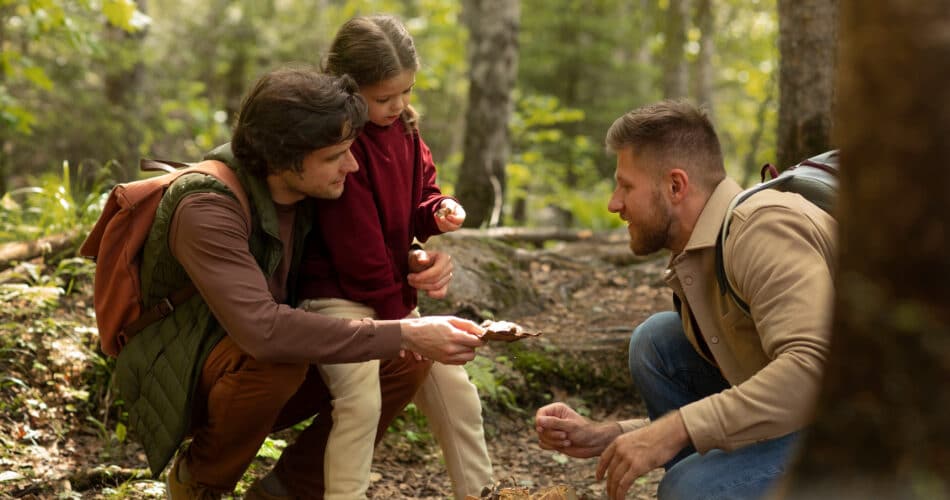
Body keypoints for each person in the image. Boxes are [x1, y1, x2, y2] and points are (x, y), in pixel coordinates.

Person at [112, 66, 486, 499]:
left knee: (405, 358)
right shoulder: (206, 207)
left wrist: (413, 258)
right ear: (284, 157)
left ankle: (287, 491)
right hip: (181, 367)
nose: (353, 163)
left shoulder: (311, 189)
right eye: (335, 155)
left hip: (242, 352)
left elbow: (349, 251)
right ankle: (199, 482)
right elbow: (265, 332)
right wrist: (406, 330)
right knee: (280, 360)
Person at [535, 100, 837, 499]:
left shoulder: (762, 229)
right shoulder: (704, 254)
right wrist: (613, 434)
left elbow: (813, 372)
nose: (614, 203)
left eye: (626, 185)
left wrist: (673, 430)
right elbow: (753, 381)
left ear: (676, 186)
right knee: (658, 342)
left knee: (688, 489)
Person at [291, 14, 493, 500]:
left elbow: (416, 198)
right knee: (360, 400)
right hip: (336, 299)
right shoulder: (342, 146)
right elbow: (355, 249)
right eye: (384, 98)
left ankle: (482, 491)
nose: (398, 105)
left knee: (456, 391)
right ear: (347, 88)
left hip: (390, 300)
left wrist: (436, 210)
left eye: (407, 92)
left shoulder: (403, 129)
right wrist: (400, 321)